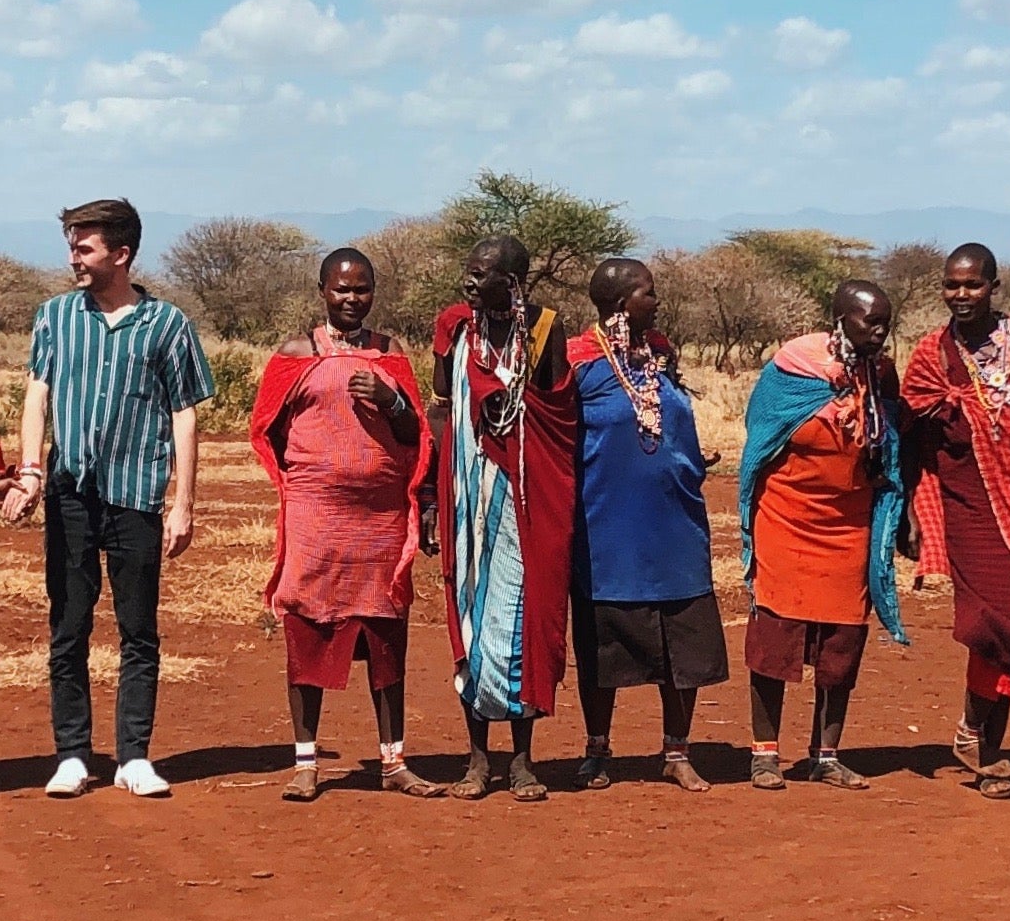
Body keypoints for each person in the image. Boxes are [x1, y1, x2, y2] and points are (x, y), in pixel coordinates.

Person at [0, 198, 212, 800]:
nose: (74, 258)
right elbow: (37, 395)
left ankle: (134, 755)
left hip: (136, 494)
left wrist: (183, 501)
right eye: (72, 246)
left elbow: (184, 415)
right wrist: (32, 471)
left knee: (138, 629)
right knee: (68, 624)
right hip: (69, 493)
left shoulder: (167, 325)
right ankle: (72, 753)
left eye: (85, 248)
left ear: (121, 254)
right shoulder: (55, 316)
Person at [253, 249, 433, 800]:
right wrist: (313, 478)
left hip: (380, 520)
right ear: (322, 290)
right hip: (318, 519)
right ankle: (306, 762)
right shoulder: (295, 354)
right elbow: (269, 428)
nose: (352, 299)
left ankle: (394, 761)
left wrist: (392, 399)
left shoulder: (391, 354)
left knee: (384, 634)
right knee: (308, 627)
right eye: (341, 289)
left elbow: (415, 433)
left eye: (362, 289)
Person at [898, 245, 1010, 798]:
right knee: (995, 622)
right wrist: (912, 511)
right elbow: (910, 434)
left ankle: (981, 737)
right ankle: (980, 743)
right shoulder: (932, 356)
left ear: (994, 286)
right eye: (952, 285)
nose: (961, 295)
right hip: (964, 504)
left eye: (972, 285)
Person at [737, 280, 909, 789]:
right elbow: (760, 436)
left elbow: (891, 438)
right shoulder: (792, 369)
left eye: (886, 321)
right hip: (787, 519)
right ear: (840, 319)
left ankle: (826, 755)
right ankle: (764, 754)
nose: (880, 331)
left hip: (850, 524)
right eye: (869, 321)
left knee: (843, 640)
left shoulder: (879, 373)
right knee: (776, 636)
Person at [565, 257, 729, 793]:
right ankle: (597, 749)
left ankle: (676, 751)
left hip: (675, 524)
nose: (656, 302)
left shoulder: (659, 353)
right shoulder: (579, 363)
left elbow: (668, 419)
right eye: (649, 293)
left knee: (683, 641)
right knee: (604, 643)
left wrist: (690, 461)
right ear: (620, 303)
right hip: (607, 529)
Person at [431, 234, 581, 800]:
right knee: (469, 619)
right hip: (467, 489)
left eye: (482, 273)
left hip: (523, 492)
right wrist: (431, 494)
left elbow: (556, 417)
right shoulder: (455, 328)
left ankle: (521, 761)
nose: (470, 282)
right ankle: (476, 761)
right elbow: (442, 408)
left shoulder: (543, 330)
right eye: (468, 270)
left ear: (512, 283)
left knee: (520, 619)